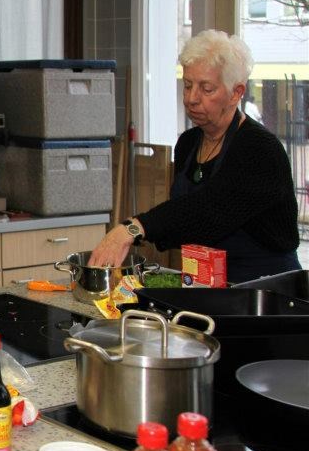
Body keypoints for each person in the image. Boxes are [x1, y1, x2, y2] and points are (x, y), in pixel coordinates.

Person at [89, 29, 300, 283]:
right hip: (206, 282)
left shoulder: (260, 149)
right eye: (188, 85)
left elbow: (208, 210)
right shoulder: (188, 143)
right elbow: (184, 223)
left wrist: (132, 228)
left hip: (264, 289)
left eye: (206, 88)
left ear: (236, 93)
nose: (191, 98)